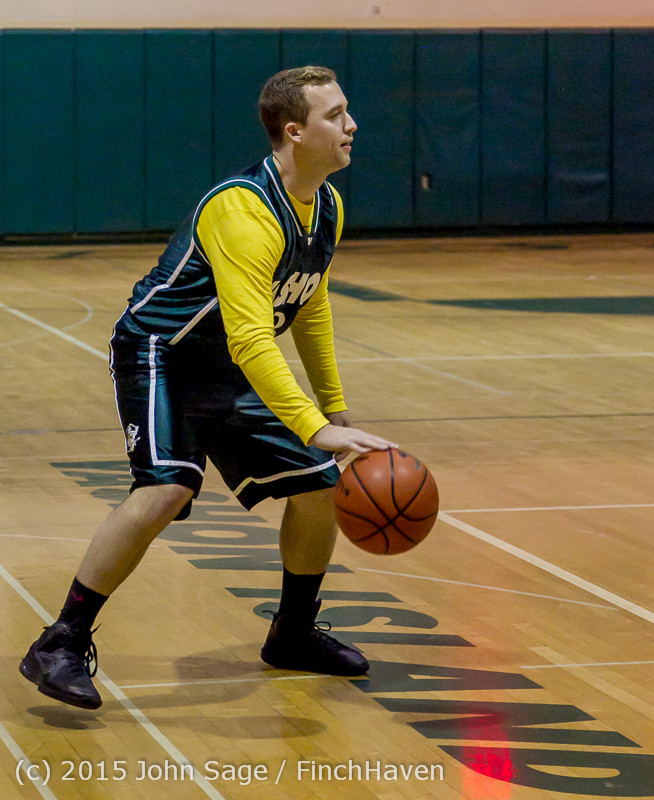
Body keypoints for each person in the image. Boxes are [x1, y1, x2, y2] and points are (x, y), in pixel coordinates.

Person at [20, 66, 396, 710]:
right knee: (166, 488)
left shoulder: (326, 204)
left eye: (347, 111)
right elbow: (253, 339)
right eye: (335, 115)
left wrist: (332, 412)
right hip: (162, 353)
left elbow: (310, 306)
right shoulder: (243, 209)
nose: (352, 124)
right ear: (294, 131)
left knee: (320, 490)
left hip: (227, 363)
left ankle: (293, 634)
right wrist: (314, 426)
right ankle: (59, 640)